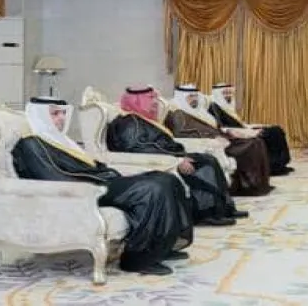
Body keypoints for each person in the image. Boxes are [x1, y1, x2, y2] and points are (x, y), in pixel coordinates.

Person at [12, 97, 194, 276]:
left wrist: (106, 174)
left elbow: (89, 165)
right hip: (86, 191)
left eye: (62, 113)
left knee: (167, 179)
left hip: (100, 182)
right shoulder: (31, 144)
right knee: (152, 188)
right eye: (54, 114)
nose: (61, 118)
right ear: (40, 115)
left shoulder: (59, 140)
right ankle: (138, 260)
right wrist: (98, 180)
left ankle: (164, 247)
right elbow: (54, 178)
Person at [107, 86, 248, 225]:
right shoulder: (129, 123)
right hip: (160, 161)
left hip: (171, 154)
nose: (155, 104)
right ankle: (206, 213)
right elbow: (140, 149)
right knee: (202, 165)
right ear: (137, 102)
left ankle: (224, 208)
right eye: (150, 100)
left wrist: (179, 155)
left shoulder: (142, 120)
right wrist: (176, 160)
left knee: (209, 159)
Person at [164, 84, 274, 196]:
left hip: (221, 138)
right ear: (182, 97)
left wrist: (227, 132)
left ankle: (257, 185)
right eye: (190, 96)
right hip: (209, 143)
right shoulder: (178, 114)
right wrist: (212, 137)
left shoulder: (198, 110)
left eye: (195, 96)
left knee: (257, 141)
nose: (194, 99)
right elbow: (183, 133)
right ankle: (247, 186)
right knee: (251, 146)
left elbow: (215, 126)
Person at [208, 82, 294, 176]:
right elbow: (223, 128)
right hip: (234, 135)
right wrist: (250, 132)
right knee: (271, 134)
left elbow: (240, 123)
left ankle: (280, 165)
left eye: (229, 92)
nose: (228, 95)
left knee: (277, 130)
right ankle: (272, 168)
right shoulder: (214, 107)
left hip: (242, 130)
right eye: (225, 93)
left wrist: (258, 126)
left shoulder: (227, 106)